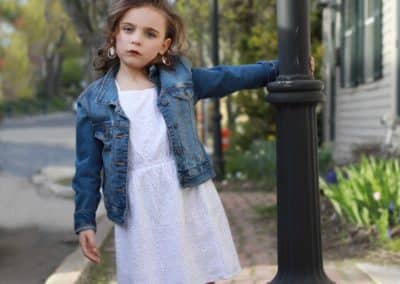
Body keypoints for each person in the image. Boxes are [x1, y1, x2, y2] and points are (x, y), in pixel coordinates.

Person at [72, 0, 315, 283]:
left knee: (198, 269)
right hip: (137, 204)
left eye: (150, 34)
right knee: (149, 274)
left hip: (184, 191)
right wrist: (85, 221)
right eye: (129, 29)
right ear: (114, 34)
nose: (136, 39)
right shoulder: (92, 102)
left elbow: (227, 77)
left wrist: (280, 68)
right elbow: (87, 169)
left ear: (164, 45)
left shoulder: (180, 80)